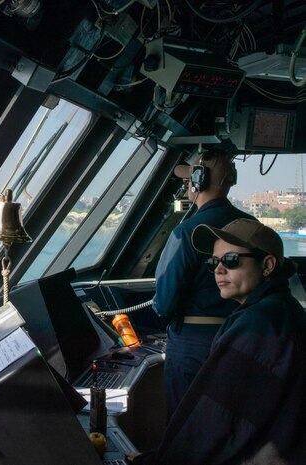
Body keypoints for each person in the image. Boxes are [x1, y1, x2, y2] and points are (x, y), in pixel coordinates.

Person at [127, 218, 306, 464]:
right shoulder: (282, 310)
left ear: (267, 265)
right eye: (214, 262)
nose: (219, 270)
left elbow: (215, 420)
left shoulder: (258, 325)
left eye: (231, 260)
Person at [152, 149, 255, 418]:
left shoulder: (187, 232)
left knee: (186, 424)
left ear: (197, 182)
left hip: (194, 345)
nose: (187, 185)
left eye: (189, 179)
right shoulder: (253, 227)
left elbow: (164, 302)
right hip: (246, 338)